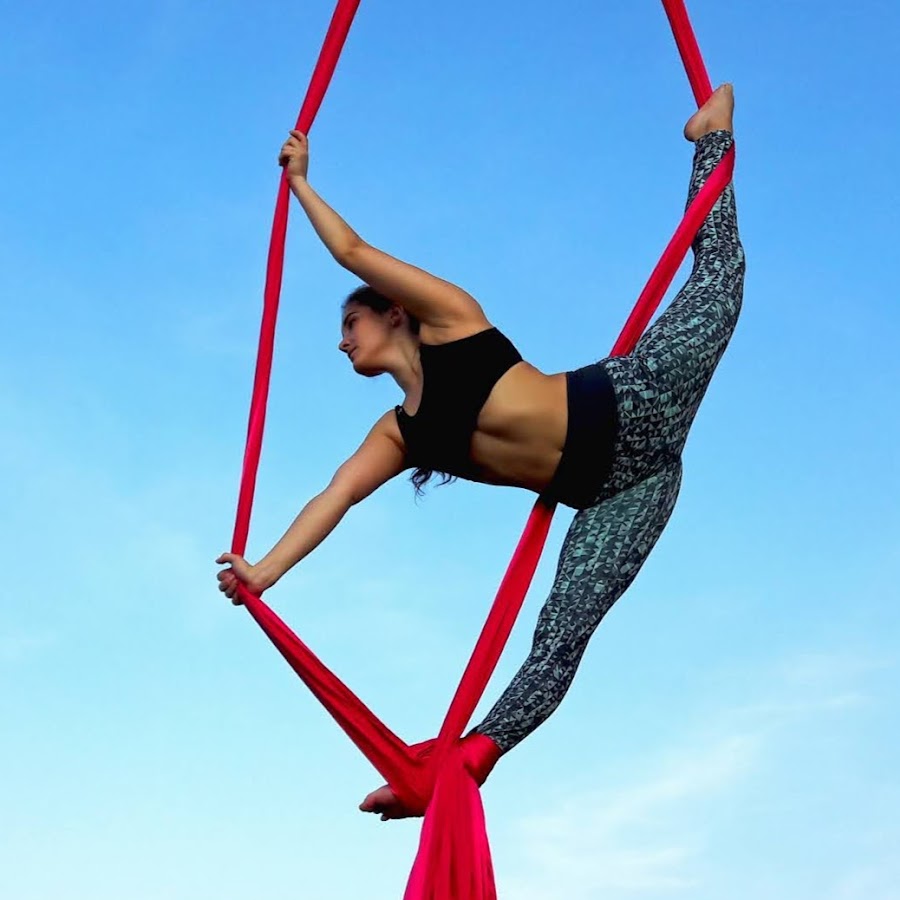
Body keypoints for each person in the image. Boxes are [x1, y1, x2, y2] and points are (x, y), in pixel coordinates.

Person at [217, 84, 744, 820]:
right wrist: (264, 572)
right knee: (558, 640)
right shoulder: (398, 434)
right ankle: (455, 770)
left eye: (350, 324)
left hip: (638, 397)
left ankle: (712, 136)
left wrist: (301, 183)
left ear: (391, 313)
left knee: (721, 285)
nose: (342, 342)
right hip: (623, 490)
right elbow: (336, 496)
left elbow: (352, 252)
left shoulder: (452, 321)